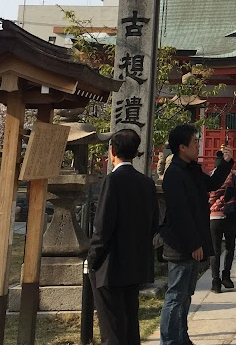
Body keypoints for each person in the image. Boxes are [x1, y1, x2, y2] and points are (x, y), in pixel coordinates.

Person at [159, 123, 234, 345]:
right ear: (182, 147)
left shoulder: (191, 170)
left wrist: (226, 162)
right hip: (181, 244)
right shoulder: (174, 174)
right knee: (175, 297)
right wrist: (194, 243)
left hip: (193, 242)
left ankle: (181, 337)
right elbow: (181, 214)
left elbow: (211, 184)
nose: (198, 146)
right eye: (194, 142)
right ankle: (170, 341)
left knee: (185, 296)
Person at [87, 129, 159, 345]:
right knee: (130, 324)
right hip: (136, 263)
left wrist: (92, 258)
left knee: (112, 328)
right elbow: (154, 223)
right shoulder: (147, 183)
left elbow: (103, 226)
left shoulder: (113, 181)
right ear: (136, 151)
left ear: (112, 151)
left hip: (111, 264)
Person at [208, 150, 236, 293]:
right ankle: (226, 275)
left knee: (214, 250)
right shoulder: (234, 176)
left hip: (214, 216)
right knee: (230, 247)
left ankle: (215, 281)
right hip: (230, 215)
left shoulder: (210, 177)